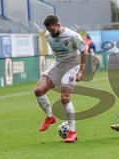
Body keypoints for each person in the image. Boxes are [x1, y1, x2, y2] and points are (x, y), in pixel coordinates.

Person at [34, 15, 88, 143]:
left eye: (53, 30)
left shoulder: (72, 36)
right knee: (38, 91)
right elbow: (57, 53)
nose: (51, 33)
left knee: (65, 98)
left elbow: (84, 51)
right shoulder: (48, 35)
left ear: (58, 25)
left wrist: (81, 71)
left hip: (71, 66)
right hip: (57, 65)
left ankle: (72, 132)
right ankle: (50, 117)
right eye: (49, 30)